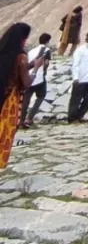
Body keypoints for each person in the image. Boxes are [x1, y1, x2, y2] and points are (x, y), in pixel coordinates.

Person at [0, 22, 31, 168]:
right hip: (9, 102)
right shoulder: (21, 57)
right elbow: (26, 83)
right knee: (4, 132)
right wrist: (35, 68)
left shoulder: (2, 51)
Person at [20, 31, 52, 128]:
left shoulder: (31, 51)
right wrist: (44, 71)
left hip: (28, 77)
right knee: (41, 96)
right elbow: (46, 63)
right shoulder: (46, 50)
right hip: (39, 78)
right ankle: (30, 118)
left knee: (26, 100)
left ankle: (21, 121)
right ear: (47, 41)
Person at [68, 31, 88, 122]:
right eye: (87, 39)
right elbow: (75, 65)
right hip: (80, 80)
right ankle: (71, 118)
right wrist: (75, 78)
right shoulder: (80, 50)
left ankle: (79, 116)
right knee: (76, 100)